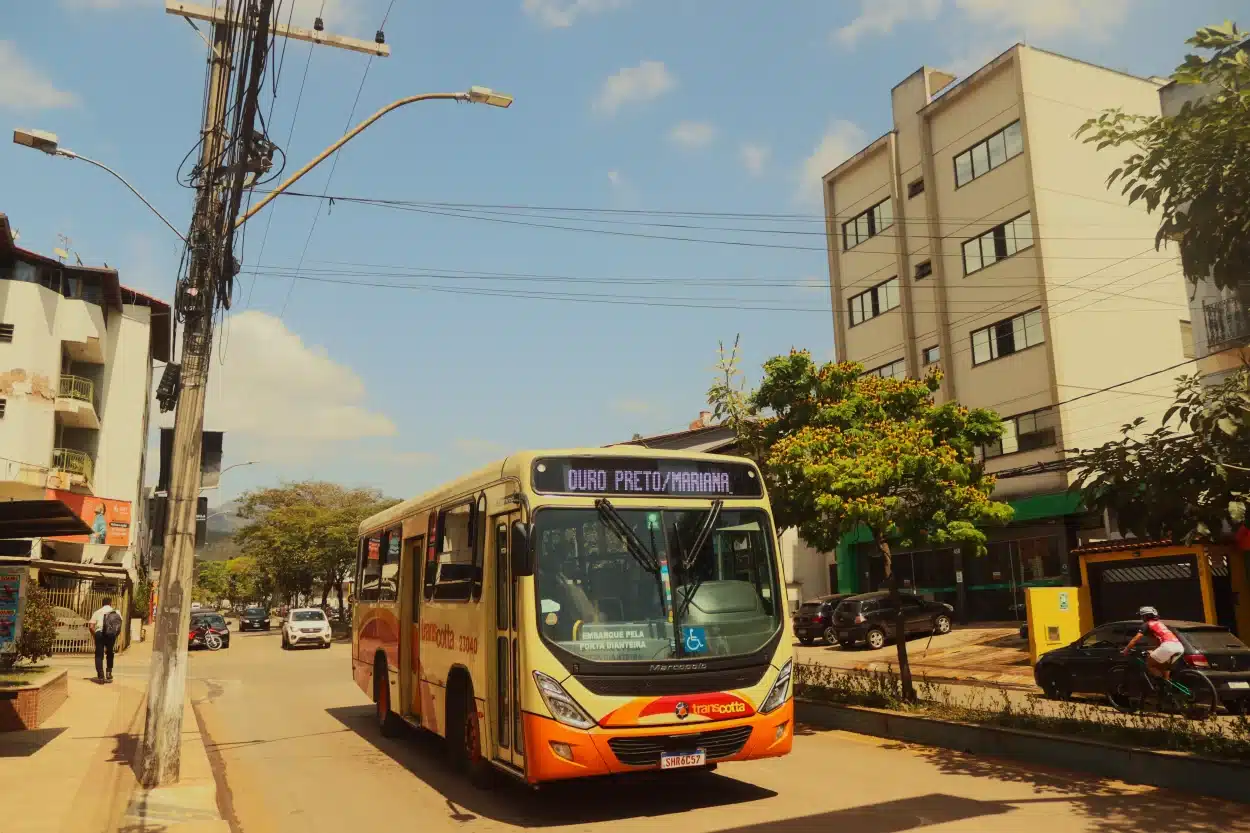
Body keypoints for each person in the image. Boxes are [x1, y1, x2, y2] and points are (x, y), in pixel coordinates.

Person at [1122, 606, 1184, 681]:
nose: (1141, 618)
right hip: (1179, 646)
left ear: (1145, 616)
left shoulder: (1147, 624)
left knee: (1150, 665)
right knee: (1164, 667)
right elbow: (1158, 641)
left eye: (1142, 616)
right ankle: (1166, 687)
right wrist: (1155, 650)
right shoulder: (1159, 624)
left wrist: (1126, 649)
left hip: (1168, 646)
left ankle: (1161, 683)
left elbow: (1135, 639)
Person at [88, 597, 122, 682]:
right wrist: (115, 635)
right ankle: (109, 673)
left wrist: (95, 635)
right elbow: (118, 626)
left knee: (99, 655)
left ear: (102, 604)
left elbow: (91, 626)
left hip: (99, 633)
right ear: (110, 603)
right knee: (110, 653)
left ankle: (101, 676)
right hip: (111, 635)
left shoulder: (97, 612)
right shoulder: (116, 612)